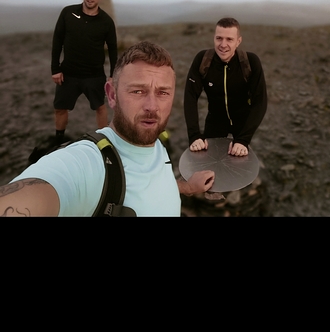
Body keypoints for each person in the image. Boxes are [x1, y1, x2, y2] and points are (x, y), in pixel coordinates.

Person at [0, 42, 215, 216]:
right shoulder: (86, 162)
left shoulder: (157, 143)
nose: (152, 106)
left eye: (163, 93)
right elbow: (39, 193)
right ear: (111, 95)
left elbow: (144, 184)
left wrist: (185, 187)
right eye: (138, 91)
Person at [184, 17, 267, 156]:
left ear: (238, 41)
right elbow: (190, 96)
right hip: (214, 122)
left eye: (229, 39)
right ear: (214, 38)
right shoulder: (203, 60)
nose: (223, 44)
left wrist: (243, 139)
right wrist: (194, 135)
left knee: (239, 166)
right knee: (211, 163)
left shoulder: (250, 62)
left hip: (242, 124)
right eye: (219, 38)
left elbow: (260, 101)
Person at [51, 0, 117, 142]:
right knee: (60, 108)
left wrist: (113, 75)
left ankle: (103, 140)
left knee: (100, 108)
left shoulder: (106, 21)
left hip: (94, 74)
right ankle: (59, 139)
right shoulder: (68, 13)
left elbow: (113, 48)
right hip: (68, 73)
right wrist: (55, 69)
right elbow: (57, 40)